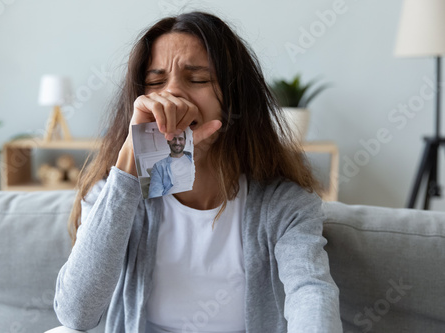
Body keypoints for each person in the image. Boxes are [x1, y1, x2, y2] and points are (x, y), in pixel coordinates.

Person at [54, 11, 342, 333]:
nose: (172, 94)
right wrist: (131, 162)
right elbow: (76, 314)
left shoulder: (283, 204)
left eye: (198, 79)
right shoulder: (117, 194)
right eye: (155, 82)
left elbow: (311, 292)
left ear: (233, 101)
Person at [148, 131, 195, 198]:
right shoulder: (158, 166)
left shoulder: (195, 158)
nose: (177, 142)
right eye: (173, 139)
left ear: (185, 141)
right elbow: (154, 193)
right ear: (168, 141)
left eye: (180, 139)